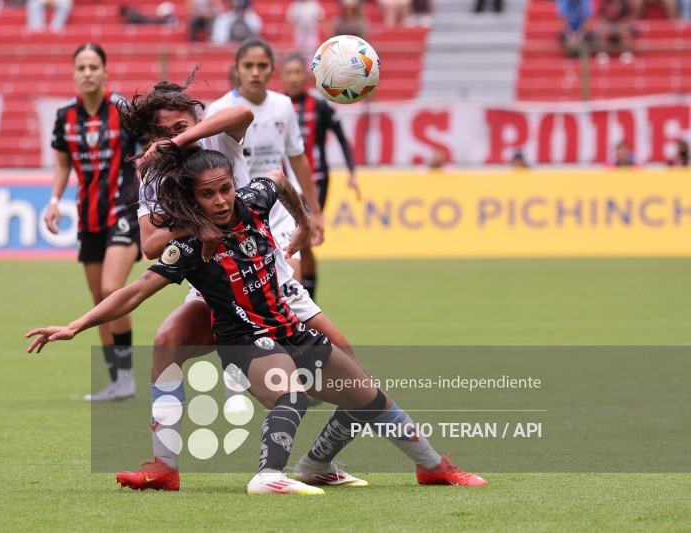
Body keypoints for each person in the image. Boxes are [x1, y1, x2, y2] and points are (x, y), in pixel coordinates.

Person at [26, 146, 487, 494]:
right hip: (245, 344)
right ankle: (269, 476)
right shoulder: (187, 247)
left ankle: (428, 467)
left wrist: (304, 222)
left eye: (225, 188)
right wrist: (74, 326)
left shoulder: (254, 200)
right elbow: (133, 292)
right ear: (193, 200)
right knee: (292, 392)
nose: (222, 200)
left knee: (369, 399)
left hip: (291, 329)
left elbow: (277, 177)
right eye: (208, 195)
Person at [111, 76, 355, 491]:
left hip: (267, 276)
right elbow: (151, 244)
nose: (175, 137)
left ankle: (319, 462)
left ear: (197, 118)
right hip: (214, 282)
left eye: (182, 126)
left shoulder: (218, 143)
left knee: (350, 371)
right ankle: (163, 467)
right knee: (166, 341)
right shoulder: (153, 175)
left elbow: (243, 113)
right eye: (164, 132)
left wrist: (183, 140)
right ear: (152, 137)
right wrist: (197, 221)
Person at [46, 43, 141, 402]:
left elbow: (146, 151)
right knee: (98, 297)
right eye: (81, 67)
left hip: (123, 210)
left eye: (93, 67)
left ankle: (128, 374)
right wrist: (54, 201)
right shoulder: (65, 116)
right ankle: (117, 379)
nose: (87, 73)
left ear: (105, 71)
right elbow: (63, 163)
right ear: (74, 73)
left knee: (111, 289)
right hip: (88, 216)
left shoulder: (123, 109)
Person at [206, 38, 326, 283]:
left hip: (279, 209)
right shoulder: (219, 111)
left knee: (292, 284)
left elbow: (297, 158)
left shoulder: (282, 106)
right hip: (237, 212)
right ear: (236, 69)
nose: (255, 72)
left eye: (262, 66)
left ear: (273, 69)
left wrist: (314, 211)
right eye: (248, 66)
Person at [280, 53, 359, 301]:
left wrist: (352, 172)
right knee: (296, 239)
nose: (293, 78)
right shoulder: (276, 106)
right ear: (281, 77)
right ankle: (301, 296)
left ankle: (305, 298)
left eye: (297, 72)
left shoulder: (321, 105)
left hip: (316, 181)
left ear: (307, 76)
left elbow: (342, 139)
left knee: (303, 237)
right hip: (282, 183)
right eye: (288, 73)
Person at [597, 0, 636, 64]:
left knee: (625, 34)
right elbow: (601, 18)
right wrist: (608, 27)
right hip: (608, 28)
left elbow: (630, 18)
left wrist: (623, 26)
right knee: (603, 35)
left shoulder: (625, 4)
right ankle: (602, 55)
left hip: (622, 28)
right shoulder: (605, 4)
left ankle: (626, 55)